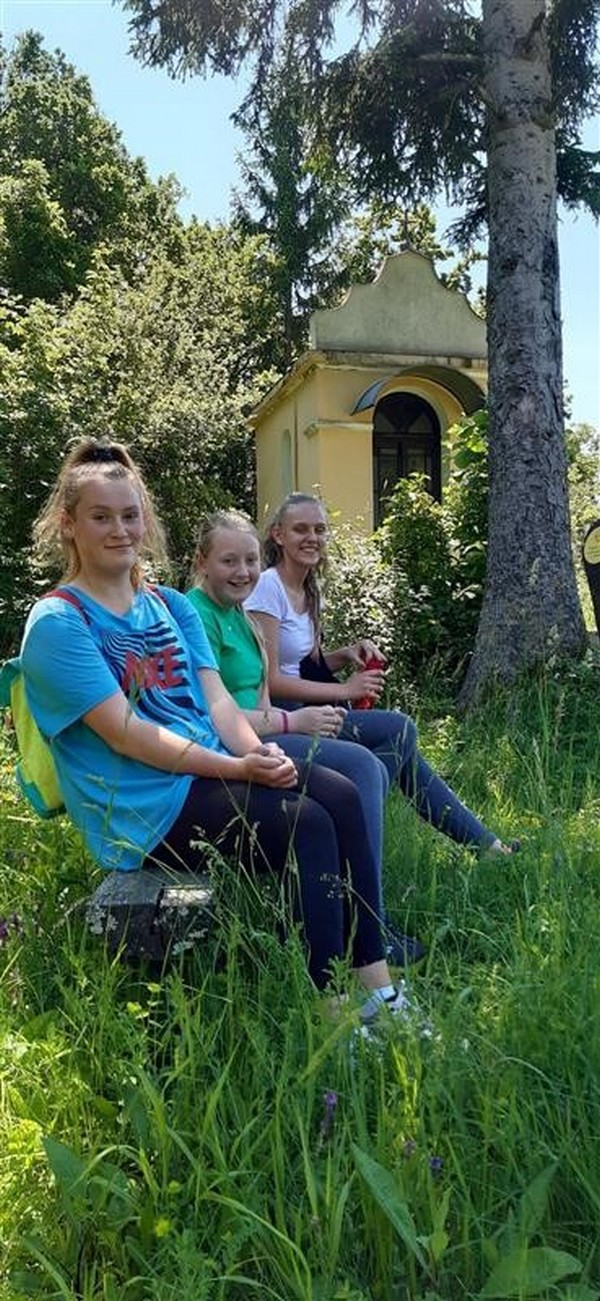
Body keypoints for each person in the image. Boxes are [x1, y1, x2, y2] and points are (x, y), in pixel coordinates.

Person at [19, 441, 406, 1022]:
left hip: (207, 772)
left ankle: (380, 993)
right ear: (68, 524)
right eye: (101, 517)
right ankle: (334, 1016)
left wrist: (260, 753)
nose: (120, 530)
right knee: (307, 822)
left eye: (129, 516)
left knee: (343, 795)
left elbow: (219, 701)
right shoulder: (58, 622)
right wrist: (237, 766)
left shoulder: (170, 606)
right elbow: (128, 735)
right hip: (142, 807)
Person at [186, 509, 427, 968]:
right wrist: (293, 721)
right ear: (202, 562)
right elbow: (210, 713)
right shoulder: (196, 615)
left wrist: (295, 712)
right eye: (228, 561)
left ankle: (345, 906)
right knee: (362, 766)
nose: (243, 572)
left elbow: (263, 691)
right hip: (229, 746)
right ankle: (368, 924)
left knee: (378, 760)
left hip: (263, 729)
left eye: (250, 561)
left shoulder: (239, 615)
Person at [245, 492, 518, 856]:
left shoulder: (310, 589)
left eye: (320, 529)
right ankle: (477, 843)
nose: (312, 537)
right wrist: (346, 691)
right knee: (399, 730)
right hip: (287, 716)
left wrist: (345, 654)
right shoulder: (268, 586)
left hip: (313, 707)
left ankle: (486, 845)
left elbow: (307, 664)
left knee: (398, 747)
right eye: (301, 529)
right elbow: (272, 680)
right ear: (278, 535)